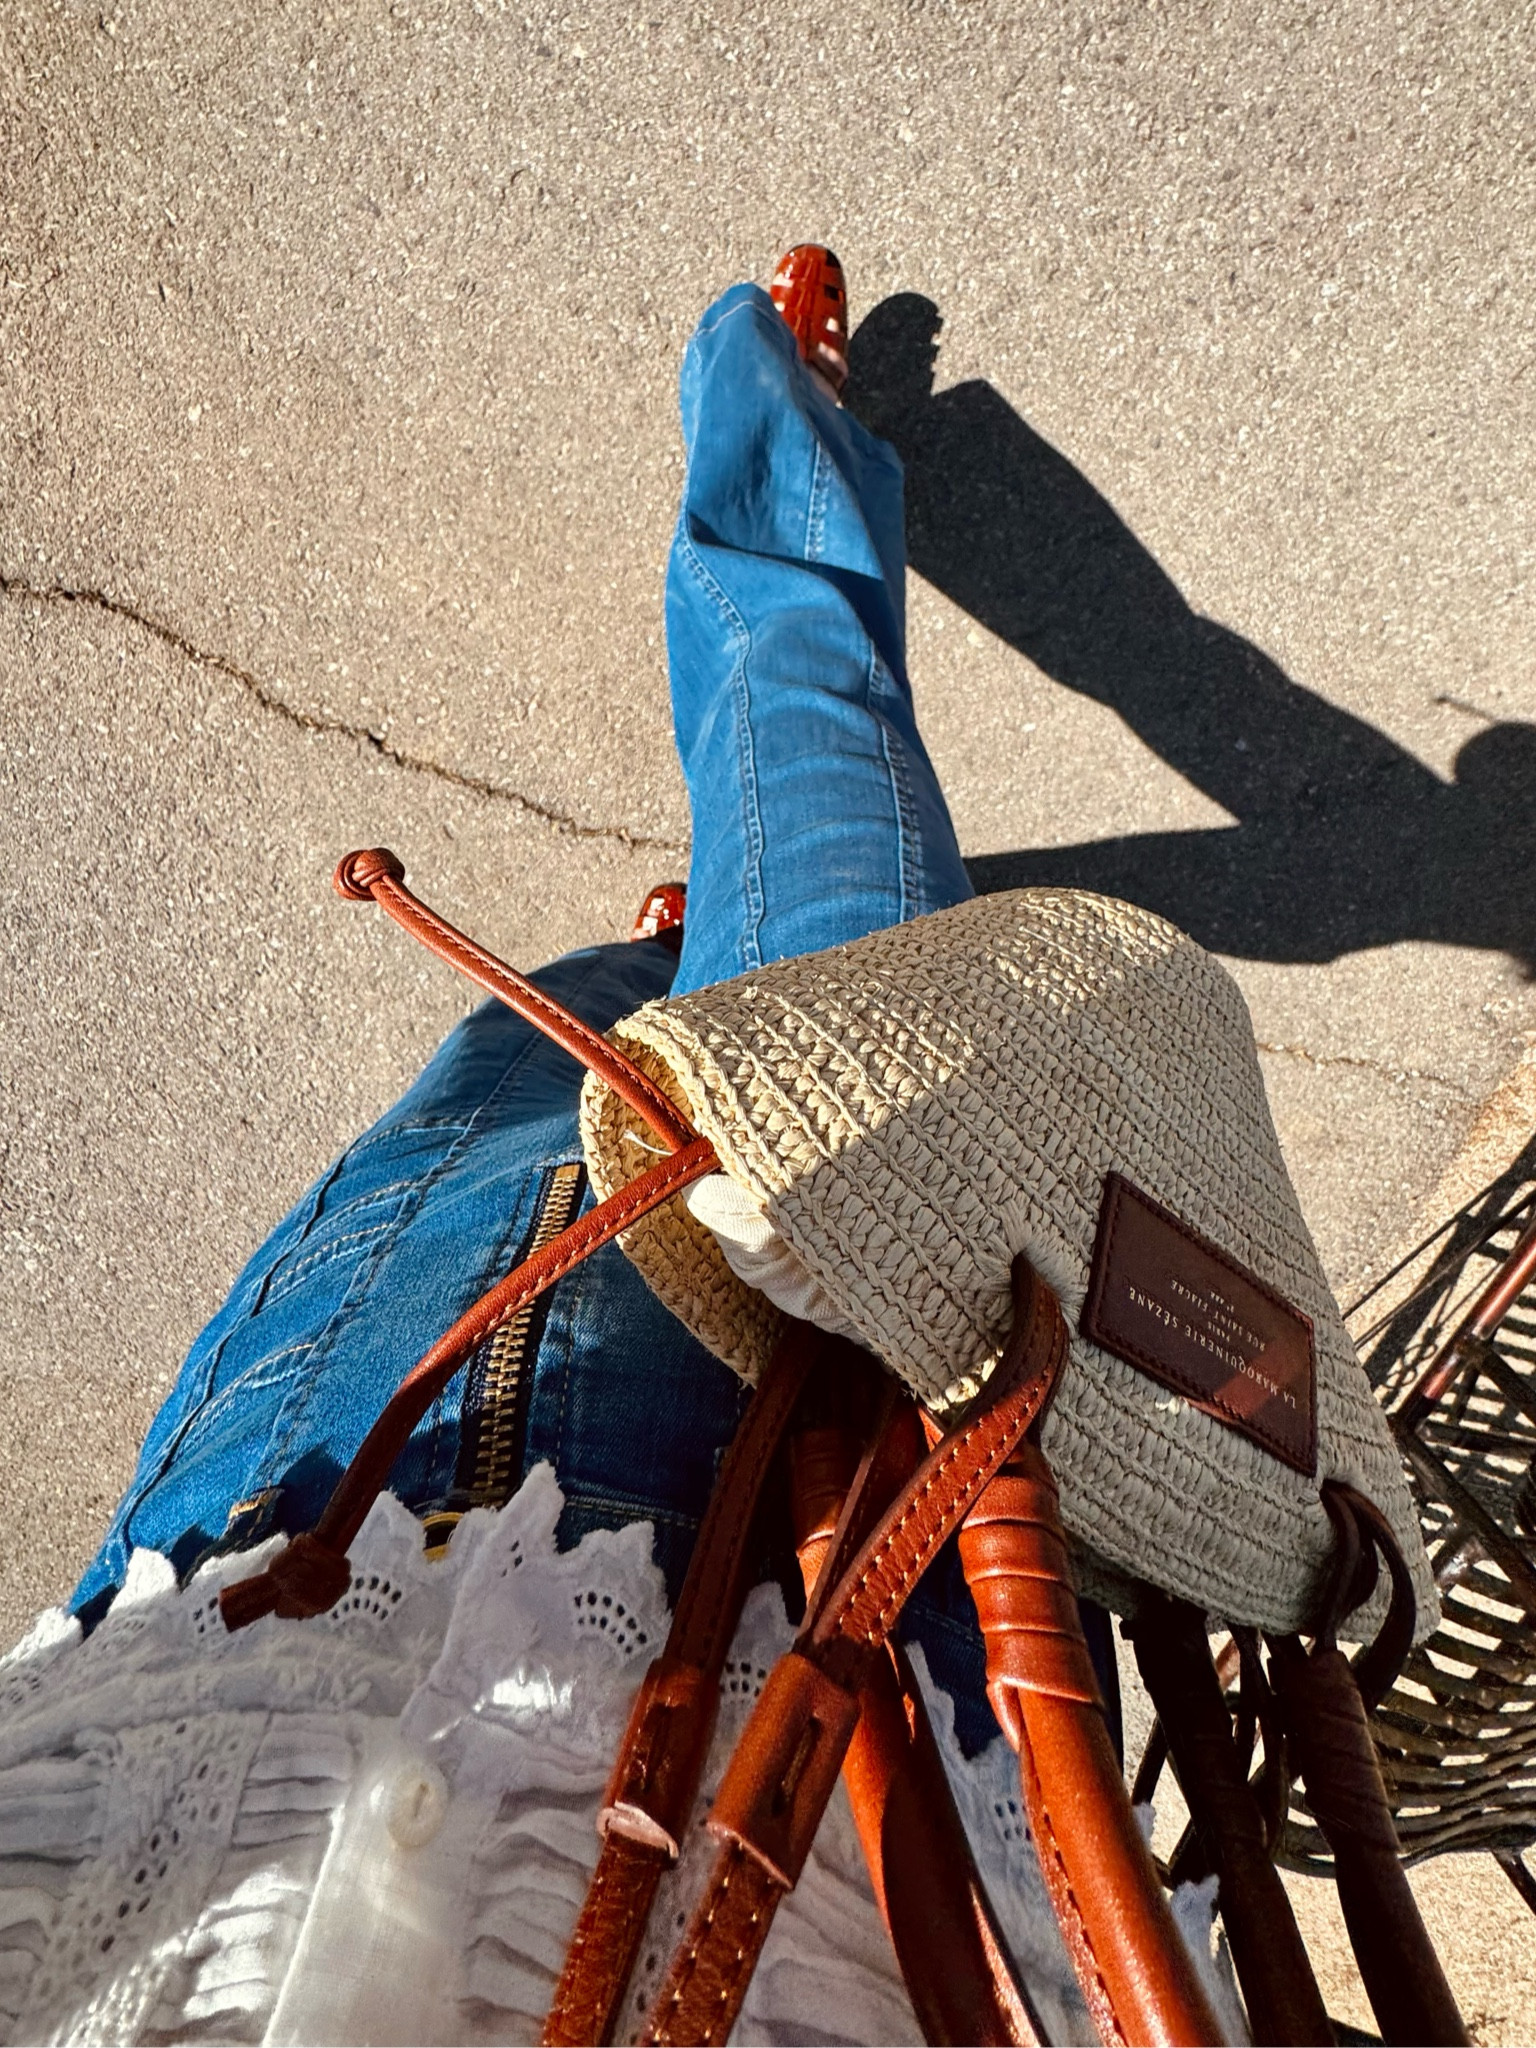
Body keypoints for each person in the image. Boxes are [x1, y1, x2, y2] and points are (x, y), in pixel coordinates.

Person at [0, 251, 1228, 2047]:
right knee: (810, 763)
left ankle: (669, 936)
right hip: (866, 1677)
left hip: (280, 1555)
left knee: (525, 1054)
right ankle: (770, 421)